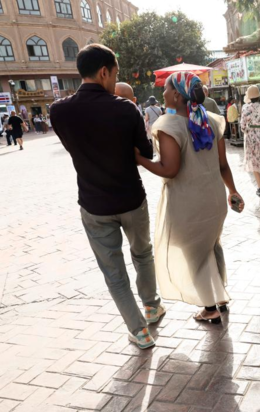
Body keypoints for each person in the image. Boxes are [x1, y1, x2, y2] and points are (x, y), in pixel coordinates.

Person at [50, 44, 165, 349]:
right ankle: (152, 306)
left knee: (114, 272)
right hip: (131, 198)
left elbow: (71, 147)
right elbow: (147, 152)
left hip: (94, 204)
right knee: (143, 254)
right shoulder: (124, 109)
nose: (115, 81)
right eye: (115, 74)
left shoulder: (58, 111)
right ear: (104, 72)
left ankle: (139, 331)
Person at [136, 71, 244, 325]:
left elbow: (169, 170)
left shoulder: (168, 125)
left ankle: (210, 308)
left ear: (176, 95)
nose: (162, 93)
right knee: (210, 247)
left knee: (194, 253)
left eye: (165, 89)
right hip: (215, 199)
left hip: (188, 201)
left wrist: (139, 160)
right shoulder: (212, 121)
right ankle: (221, 298)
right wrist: (233, 191)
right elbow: (223, 165)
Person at [240, 85, 260, 196]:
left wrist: (248, 130)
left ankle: (259, 188)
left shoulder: (245, 108)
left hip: (251, 137)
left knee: (254, 163)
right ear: (259, 97)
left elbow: (243, 126)